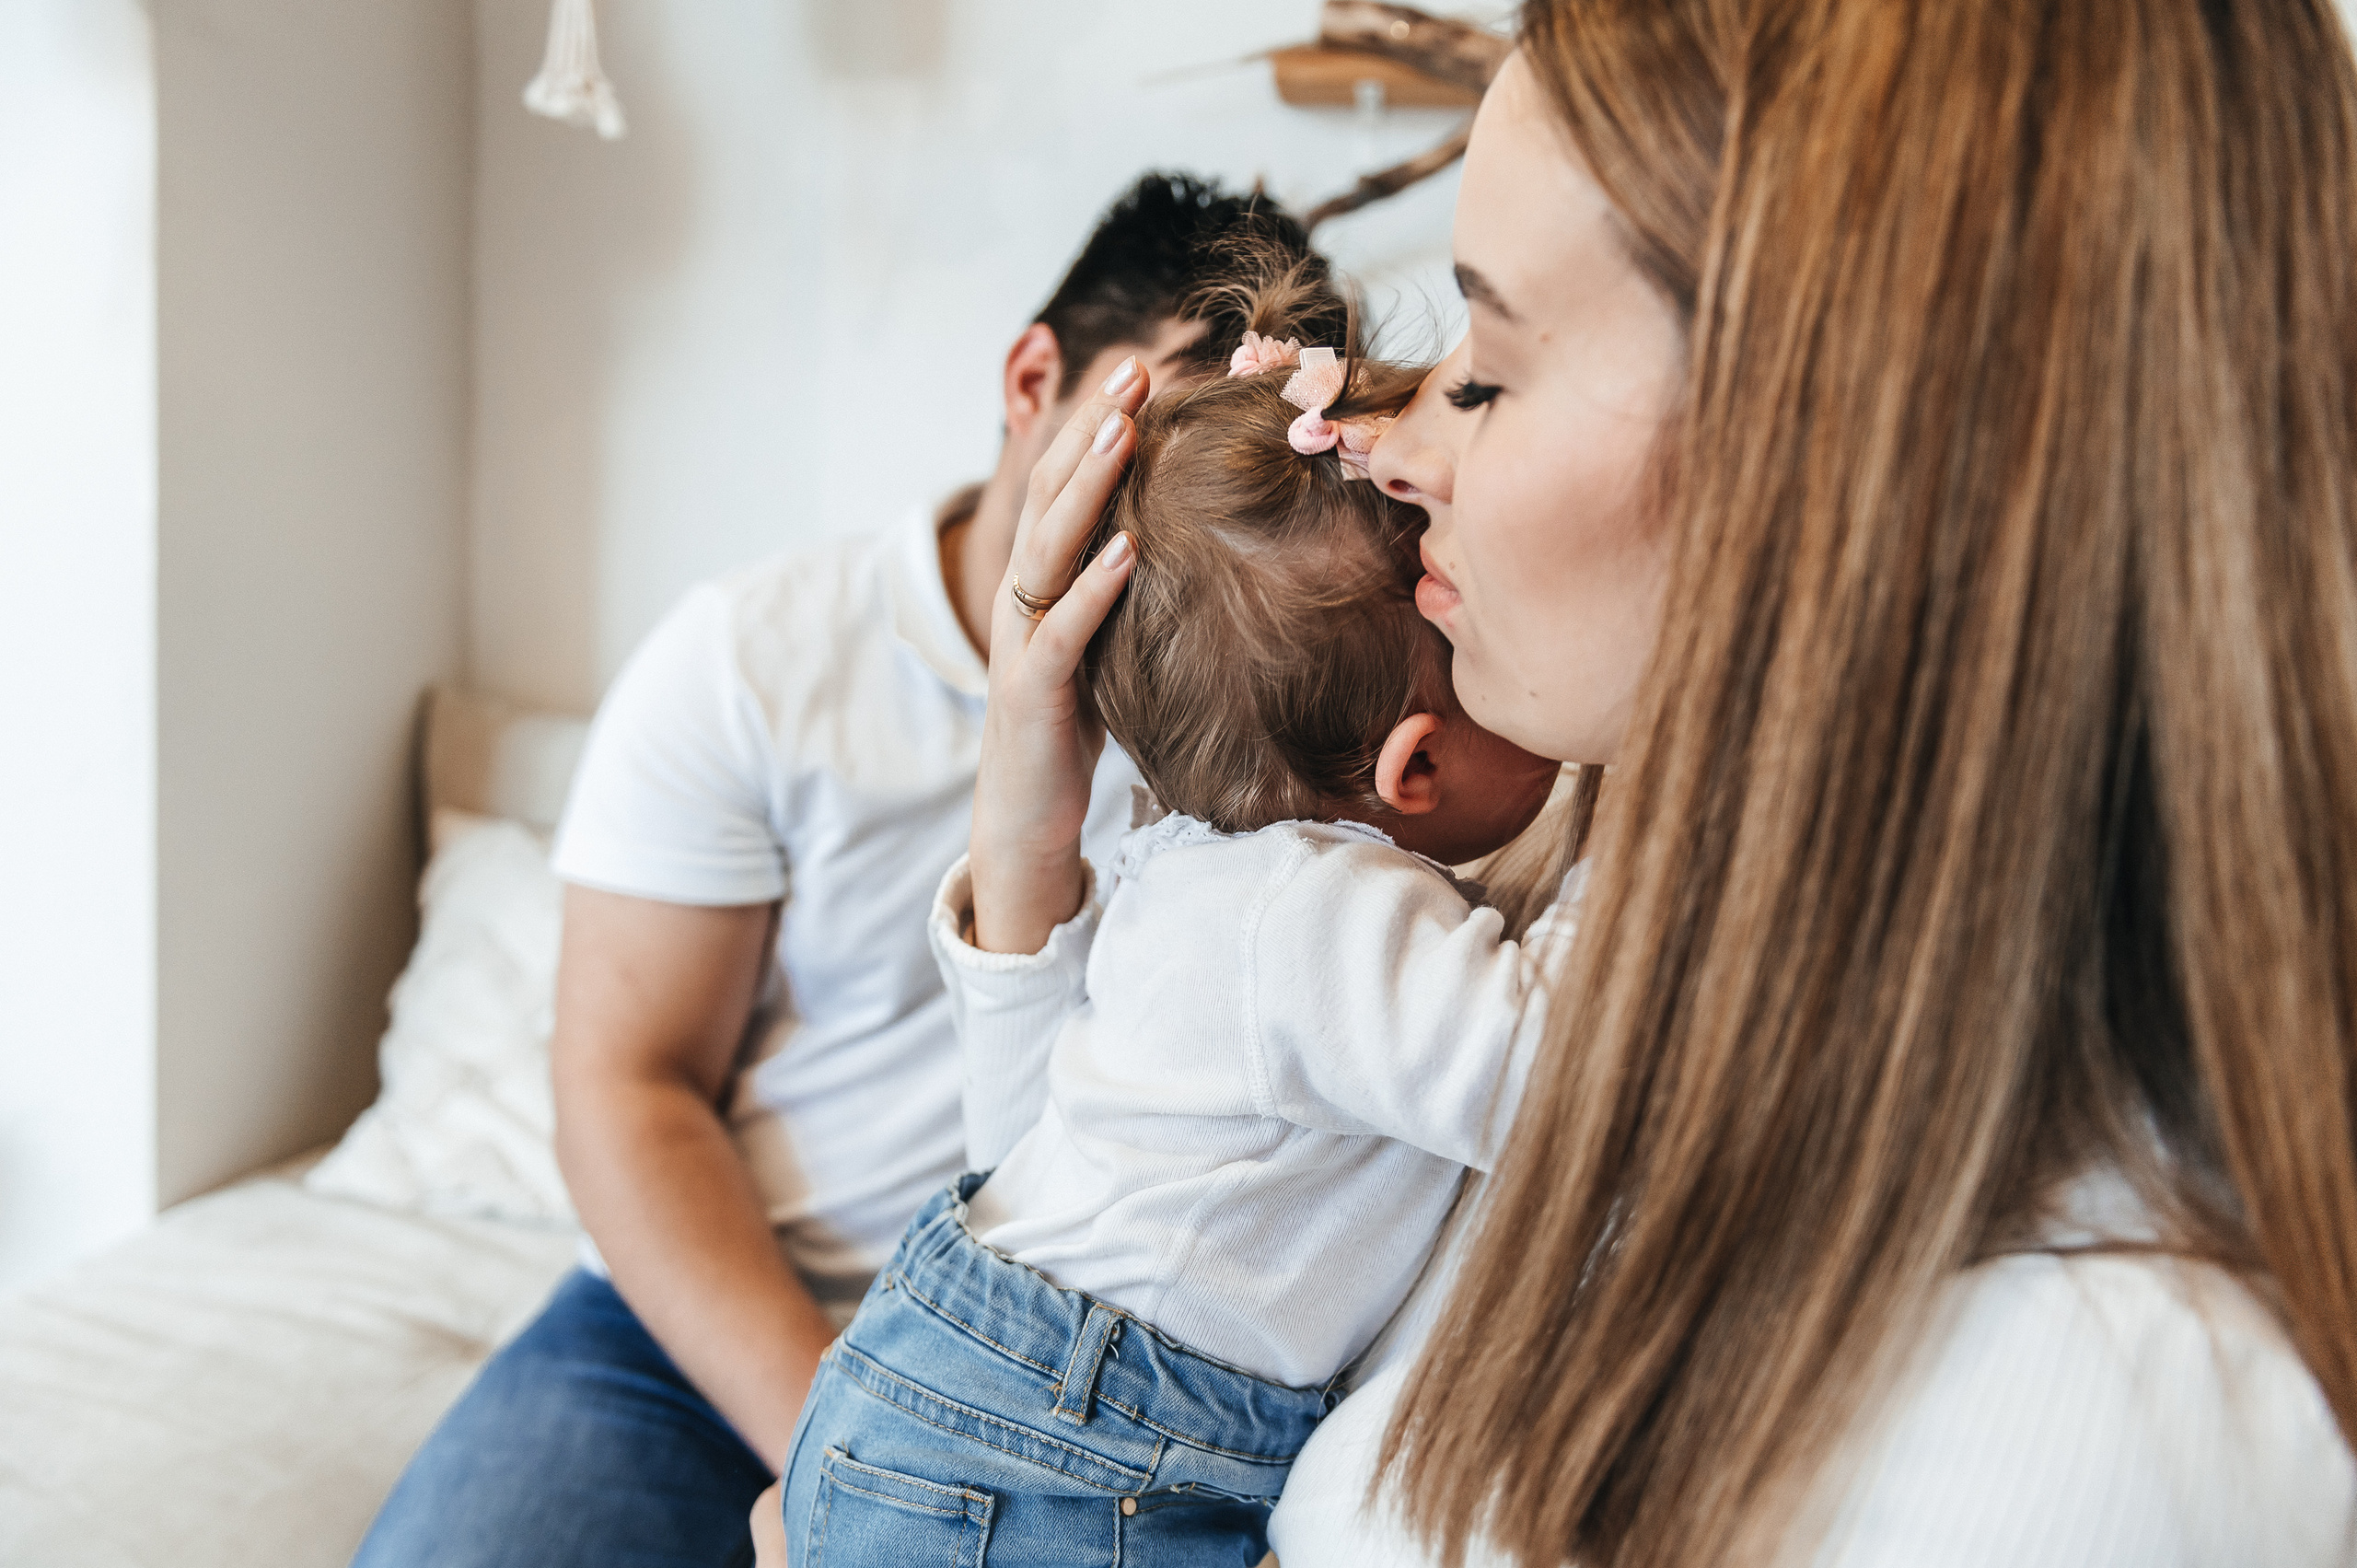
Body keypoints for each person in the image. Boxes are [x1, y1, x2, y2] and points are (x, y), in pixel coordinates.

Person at [858, 3, 2357, 1565]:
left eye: (1487, 373)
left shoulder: (2096, 1424)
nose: (1386, 446)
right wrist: (1029, 817)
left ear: (1847, 470)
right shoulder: (1558, 861)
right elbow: (1088, 1236)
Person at [351, 173, 1333, 1568]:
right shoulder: (751, 660)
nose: (1185, 507)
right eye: (1157, 434)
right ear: (1034, 380)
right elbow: (627, 1087)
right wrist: (851, 1443)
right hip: (712, 1321)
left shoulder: (1281, 726)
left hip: (1076, 1375)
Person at [772, 278, 1568, 1565]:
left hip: (964, 1390)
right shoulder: (1326, 911)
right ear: (1415, 766)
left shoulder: (1185, 870)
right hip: (1050, 1448)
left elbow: (1022, 1138)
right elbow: (1569, 1080)